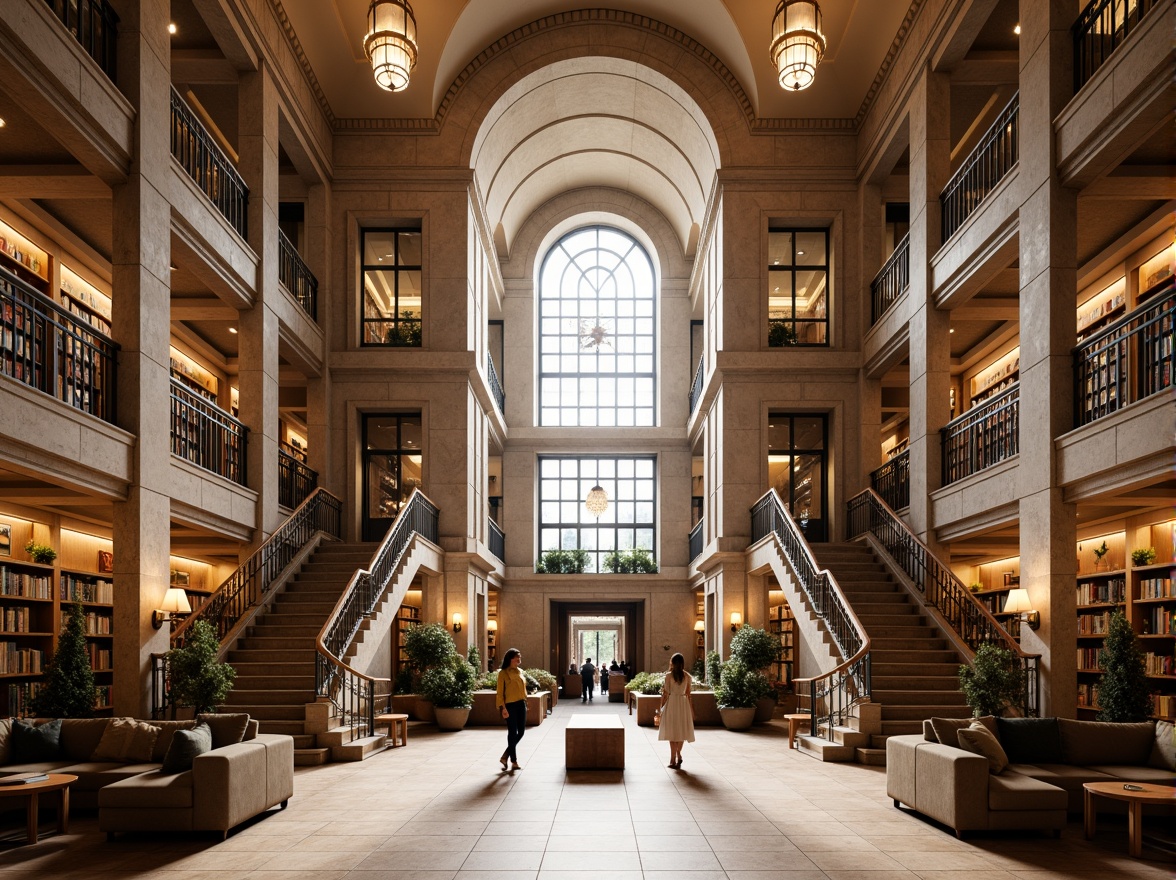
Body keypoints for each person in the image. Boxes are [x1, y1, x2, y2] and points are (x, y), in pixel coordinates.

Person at [658, 652, 695, 769]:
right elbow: (689, 694)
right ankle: (678, 754)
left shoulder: (669, 676)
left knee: (672, 731)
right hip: (683, 704)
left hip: (672, 703)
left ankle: (673, 758)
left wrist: (661, 708)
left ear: (672, 663)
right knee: (681, 731)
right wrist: (692, 710)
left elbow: (665, 693)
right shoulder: (687, 676)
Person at [495, 648, 527, 771]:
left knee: (522, 732)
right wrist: (503, 707)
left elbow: (522, 688)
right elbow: (499, 693)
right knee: (512, 732)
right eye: (517, 657)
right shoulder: (503, 673)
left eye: (520, 657)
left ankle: (505, 755)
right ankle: (514, 761)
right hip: (510, 706)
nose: (519, 659)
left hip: (521, 704)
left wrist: (525, 701)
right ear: (510, 658)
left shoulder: (520, 672)